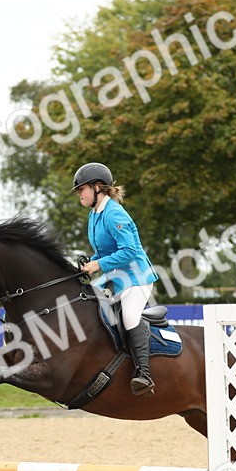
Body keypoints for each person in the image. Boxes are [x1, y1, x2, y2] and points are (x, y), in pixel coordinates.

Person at [72, 162, 158, 397]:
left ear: (97, 187)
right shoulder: (94, 215)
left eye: (82, 189)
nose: (80, 194)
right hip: (115, 276)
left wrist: (98, 265)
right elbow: (102, 252)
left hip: (137, 277)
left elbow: (129, 251)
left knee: (130, 316)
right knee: (88, 303)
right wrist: (89, 263)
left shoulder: (114, 214)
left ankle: (144, 374)